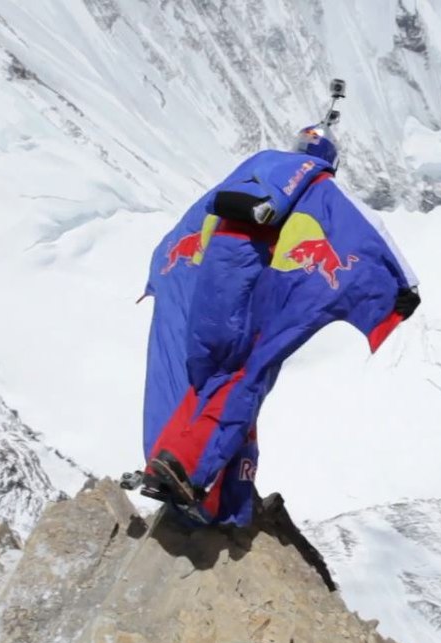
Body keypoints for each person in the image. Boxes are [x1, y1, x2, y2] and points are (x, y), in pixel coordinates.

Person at [138, 118, 420, 526]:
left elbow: (181, 233)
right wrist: (403, 287)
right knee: (240, 382)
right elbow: (367, 231)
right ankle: (201, 486)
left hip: (202, 299)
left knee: (197, 381)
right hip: (240, 308)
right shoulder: (318, 187)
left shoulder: (246, 173)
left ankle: (166, 463)